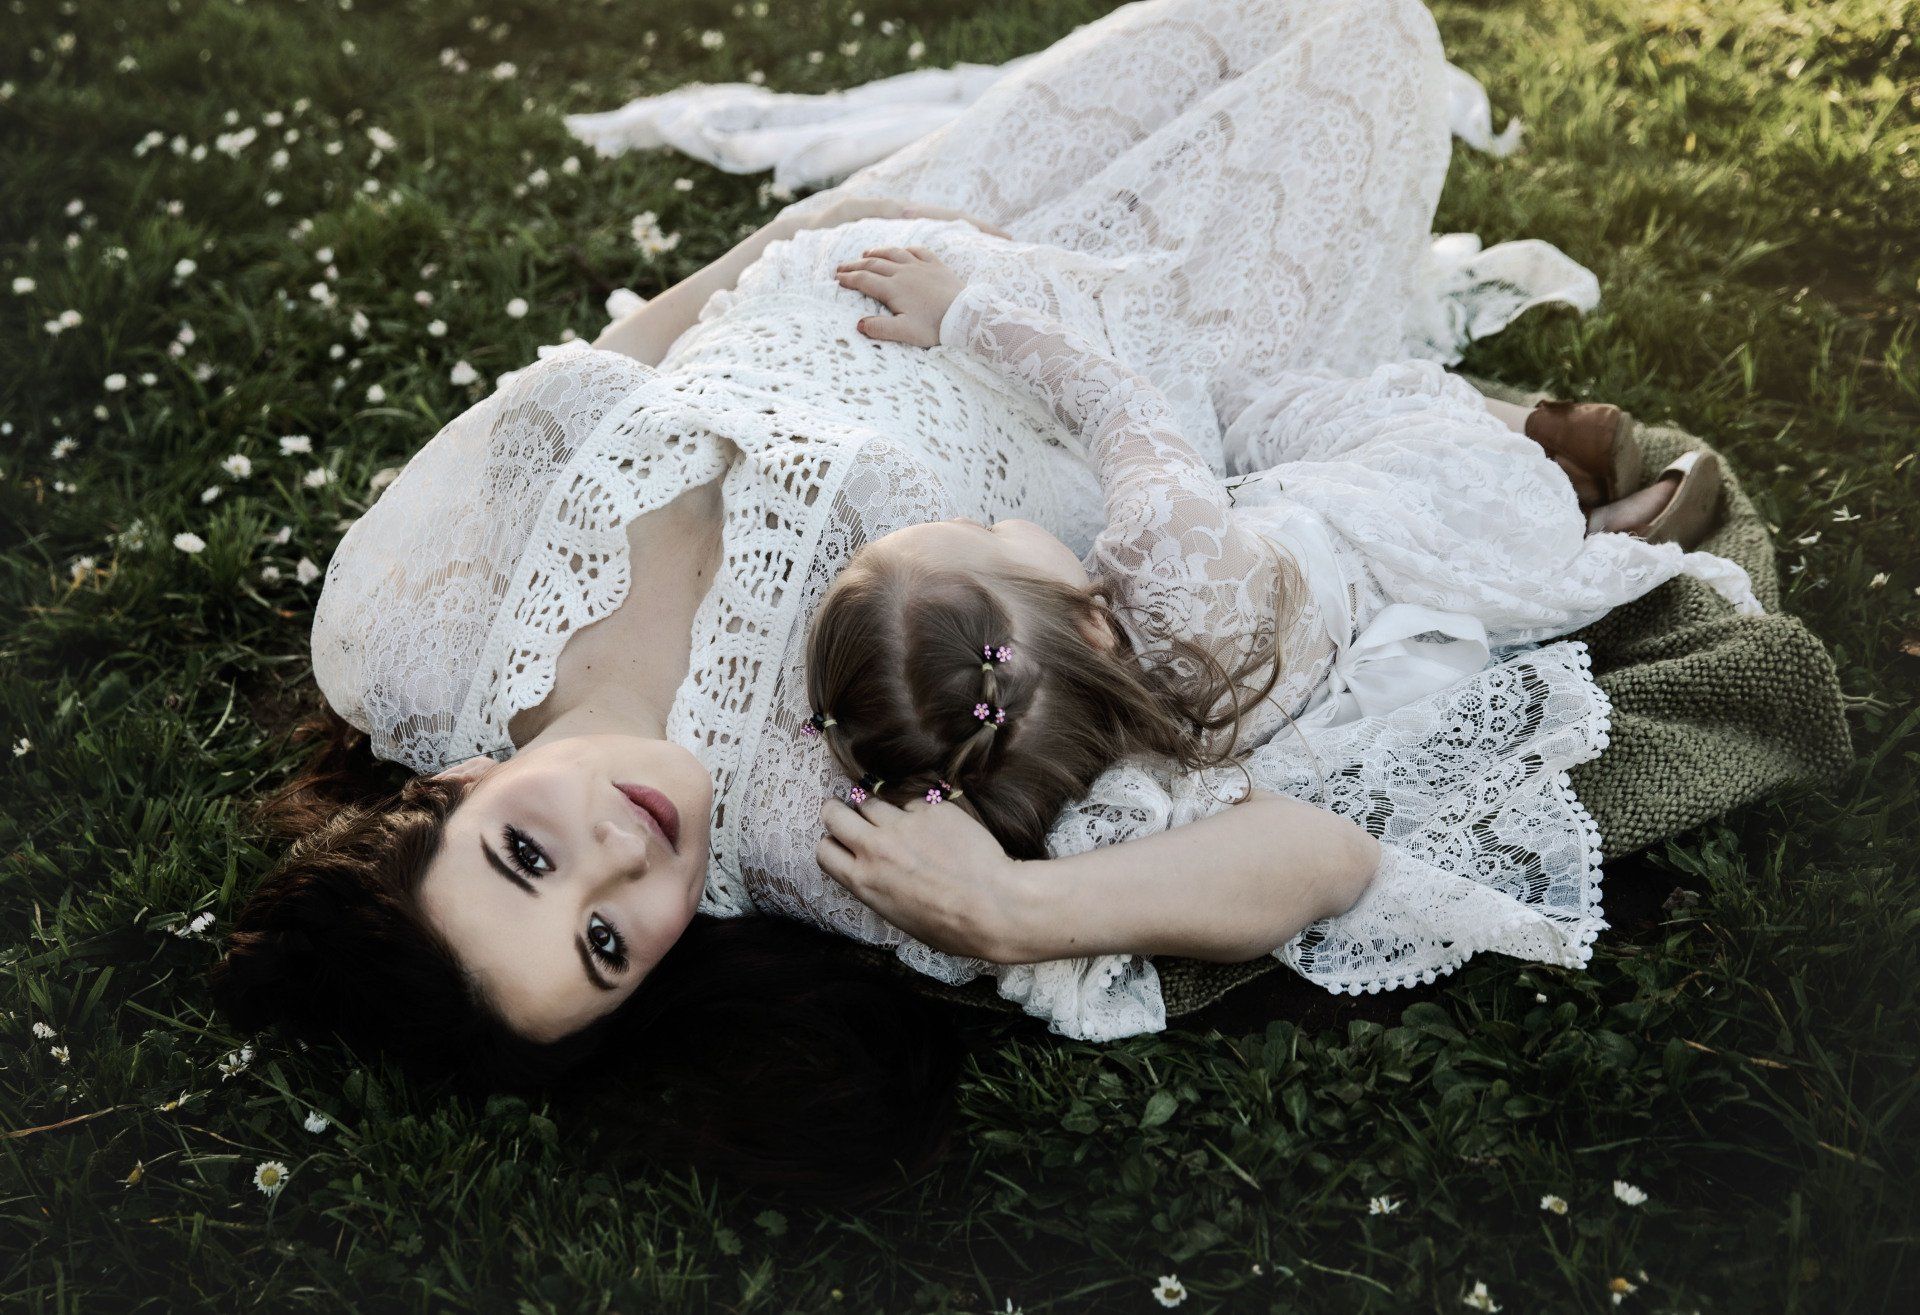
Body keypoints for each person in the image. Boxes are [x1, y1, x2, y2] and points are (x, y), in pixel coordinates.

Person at [211, 0, 1686, 1199]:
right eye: (606, 942)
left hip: (928, 237)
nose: (617, 859)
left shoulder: (400, 640)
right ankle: (1456, 424)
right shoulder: (834, 834)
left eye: (526, 852)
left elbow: (634, 349)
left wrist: (838, 226)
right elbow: (1323, 848)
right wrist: (1016, 910)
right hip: (1138, 360)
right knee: (1370, 45)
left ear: (455, 784)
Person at [799, 246, 1759, 1037]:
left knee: (1308, 500)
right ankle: (1549, 440)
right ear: (1087, 620)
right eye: (992, 532)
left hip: (1422, 625)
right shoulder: (1163, 550)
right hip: (1443, 503)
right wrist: (965, 314)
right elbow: (1120, 404)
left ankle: (1591, 523)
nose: (1005, 521)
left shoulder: (1092, 771)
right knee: (1262, 407)